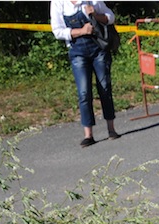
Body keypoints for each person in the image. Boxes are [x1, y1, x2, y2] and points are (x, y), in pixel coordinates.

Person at [50, 1, 120, 147]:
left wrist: (96, 15)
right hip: (77, 52)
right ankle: (88, 135)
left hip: (99, 49)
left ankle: (111, 129)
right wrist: (81, 31)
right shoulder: (58, 3)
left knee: (105, 87)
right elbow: (57, 31)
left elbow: (110, 17)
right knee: (84, 92)